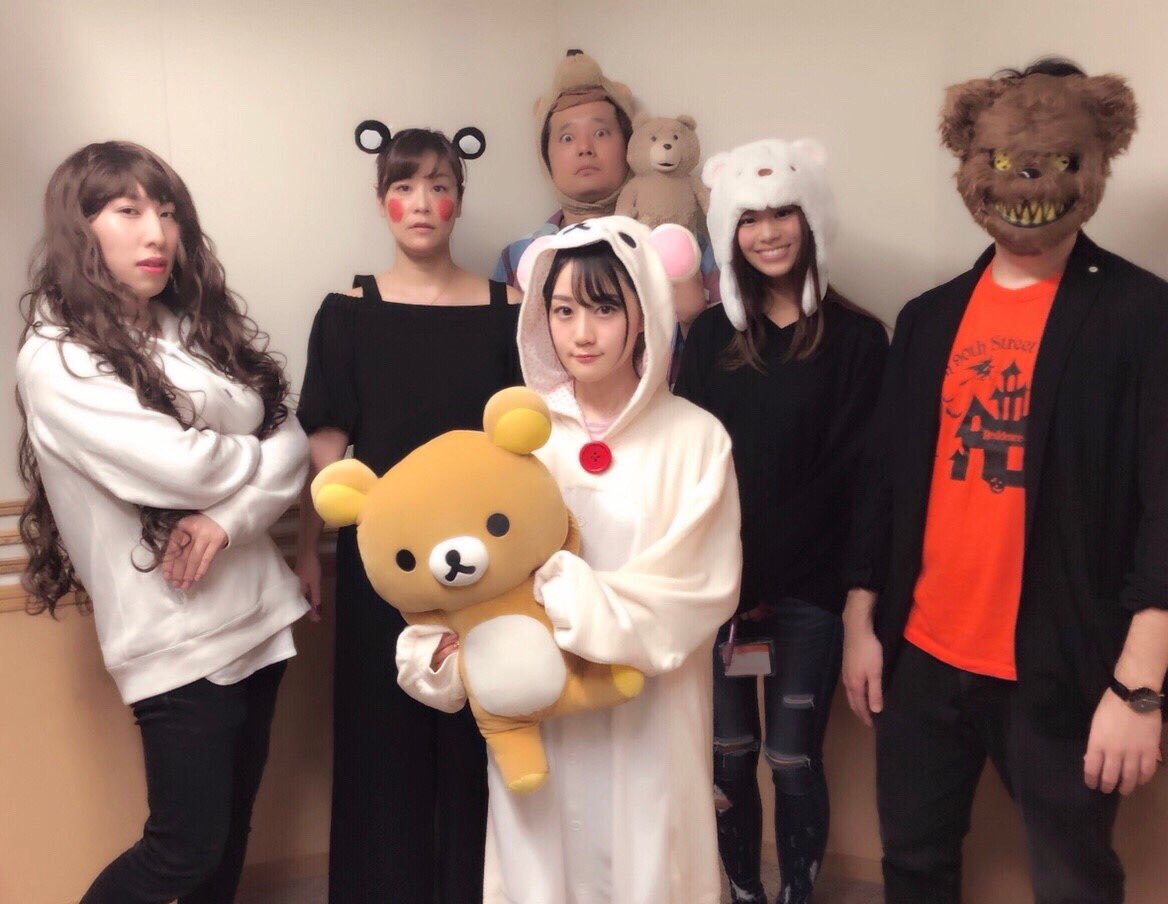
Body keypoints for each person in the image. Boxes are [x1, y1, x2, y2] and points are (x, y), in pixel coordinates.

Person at [842, 59, 1168, 903]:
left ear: (1092, 162)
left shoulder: (1141, 316)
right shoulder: (928, 319)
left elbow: (1164, 508)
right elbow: (884, 482)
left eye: (1055, 160)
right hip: (923, 657)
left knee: (1074, 880)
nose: (1028, 181)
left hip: (1066, 667)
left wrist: (1140, 687)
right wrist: (859, 616)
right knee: (913, 865)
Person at [397, 216, 742, 903]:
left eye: (605, 309)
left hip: (648, 716)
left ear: (645, 314)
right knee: (542, 869)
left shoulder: (696, 440)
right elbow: (465, 573)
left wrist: (561, 601)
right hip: (541, 722)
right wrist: (450, 652)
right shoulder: (517, 439)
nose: (582, 333)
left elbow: (696, 591)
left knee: (650, 865)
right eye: (563, 311)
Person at [15, 141, 309, 903]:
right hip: (175, 636)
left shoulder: (189, 326)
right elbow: (187, 468)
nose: (157, 234)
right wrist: (249, 454)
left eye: (169, 213)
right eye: (129, 211)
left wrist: (230, 518)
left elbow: (294, 441)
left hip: (258, 611)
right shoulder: (57, 358)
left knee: (228, 838)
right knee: (182, 851)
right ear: (80, 228)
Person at [294, 124, 521, 904]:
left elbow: (532, 444)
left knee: (482, 744)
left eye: (439, 186)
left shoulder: (510, 309)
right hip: (380, 567)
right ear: (380, 198)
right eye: (404, 186)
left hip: (492, 569)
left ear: (460, 198)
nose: (422, 203)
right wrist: (312, 548)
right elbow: (327, 447)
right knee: (380, 746)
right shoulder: (346, 312)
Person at [674, 138, 888, 904]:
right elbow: (687, 467)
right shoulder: (709, 338)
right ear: (729, 231)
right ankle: (742, 892)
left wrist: (858, 604)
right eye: (749, 218)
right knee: (728, 756)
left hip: (813, 597)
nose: (767, 233)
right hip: (722, 597)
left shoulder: (859, 340)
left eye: (783, 213)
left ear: (812, 219)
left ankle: (798, 892)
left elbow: (867, 483)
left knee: (793, 759)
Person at [492, 48, 716, 383]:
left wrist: (691, 315)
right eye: (567, 137)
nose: (585, 148)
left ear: (628, 145)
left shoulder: (686, 248)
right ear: (546, 156)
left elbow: (726, 365)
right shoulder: (519, 259)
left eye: (601, 133)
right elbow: (507, 371)